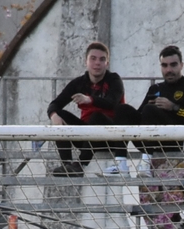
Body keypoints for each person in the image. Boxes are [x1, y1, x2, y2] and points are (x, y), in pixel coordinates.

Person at [45, 41, 125, 176]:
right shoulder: (79, 83)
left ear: (107, 63)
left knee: (96, 116)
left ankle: (80, 164)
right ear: (86, 62)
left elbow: (112, 102)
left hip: (110, 137)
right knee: (59, 114)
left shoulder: (114, 80)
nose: (97, 63)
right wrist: (53, 115)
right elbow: (55, 103)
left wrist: (90, 99)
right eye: (93, 58)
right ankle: (67, 165)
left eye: (102, 59)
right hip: (86, 138)